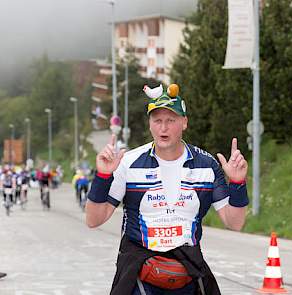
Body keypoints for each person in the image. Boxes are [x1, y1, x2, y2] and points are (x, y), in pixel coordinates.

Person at [85, 84, 249, 295]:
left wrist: (237, 183)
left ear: (184, 123)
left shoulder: (207, 165)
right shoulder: (129, 162)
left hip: (187, 272)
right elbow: (93, 220)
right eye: (157, 120)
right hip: (139, 273)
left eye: (171, 120)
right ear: (150, 124)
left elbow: (235, 222)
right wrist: (103, 176)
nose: (164, 128)